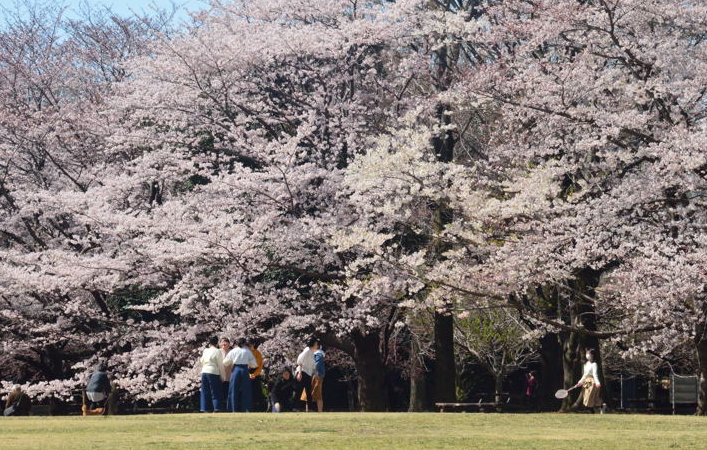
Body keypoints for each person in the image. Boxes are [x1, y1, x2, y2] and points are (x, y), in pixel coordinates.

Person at [224, 338, 257, 412]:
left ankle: (232, 409)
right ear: (244, 344)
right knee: (246, 390)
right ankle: (247, 409)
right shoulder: (247, 351)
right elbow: (254, 364)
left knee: (233, 390)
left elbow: (225, 362)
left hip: (236, 369)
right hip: (245, 369)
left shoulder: (233, 351)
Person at [200, 336, 226, 413]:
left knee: (205, 391)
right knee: (215, 390)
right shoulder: (217, 351)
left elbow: (201, 360)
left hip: (204, 371)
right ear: (217, 342)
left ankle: (205, 408)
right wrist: (223, 376)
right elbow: (220, 365)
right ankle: (217, 408)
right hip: (213, 371)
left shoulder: (205, 350)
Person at [295, 337, 318, 412]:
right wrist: (300, 373)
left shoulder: (312, 352)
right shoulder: (307, 350)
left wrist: (315, 373)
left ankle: (310, 408)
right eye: (316, 344)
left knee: (309, 392)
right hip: (303, 372)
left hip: (308, 374)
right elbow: (299, 361)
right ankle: (295, 407)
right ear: (313, 344)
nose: (317, 345)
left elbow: (313, 366)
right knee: (299, 391)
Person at [248, 339, 266, 411]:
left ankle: (259, 408)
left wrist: (254, 374)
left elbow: (260, 366)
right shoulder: (245, 353)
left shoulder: (257, 353)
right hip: (247, 373)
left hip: (255, 373)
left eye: (251, 344)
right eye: (249, 345)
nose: (250, 346)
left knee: (257, 392)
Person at [312, 344, 325, 412]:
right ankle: (307, 410)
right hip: (315, 375)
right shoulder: (316, 354)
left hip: (316, 375)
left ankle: (320, 410)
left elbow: (316, 365)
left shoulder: (319, 354)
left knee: (318, 394)